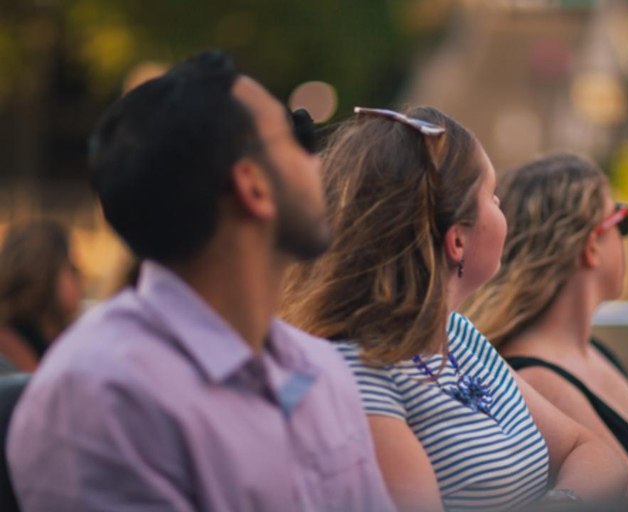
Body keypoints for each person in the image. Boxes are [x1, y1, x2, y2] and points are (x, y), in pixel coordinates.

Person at [7, 50, 395, 512]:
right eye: (300, 137)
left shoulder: (318, 369)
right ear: (252, 184)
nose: (321, 161)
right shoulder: (101, 395)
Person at [281, 107, 628, 511]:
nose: (501, 203)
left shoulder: (456, 335)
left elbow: (595, 454)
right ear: (457, 241)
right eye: (491, 194)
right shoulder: (356, 374)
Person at [460, 152, 628, 503]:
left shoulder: (595, 352)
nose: (625, 237)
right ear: (591, 247)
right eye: (622, 220)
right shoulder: (539, 382)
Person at [0, 221, 83, 372]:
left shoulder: (60, 339)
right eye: (71, 268)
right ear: (44, 272)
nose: (81, 277)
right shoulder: (8, 348)